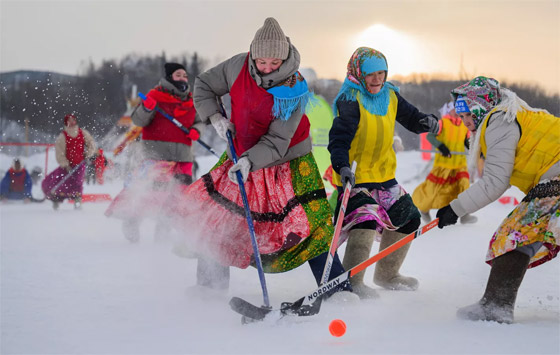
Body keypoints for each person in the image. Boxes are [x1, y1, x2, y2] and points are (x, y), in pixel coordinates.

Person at [188, 17, 353, 298]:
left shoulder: (294, 88)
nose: (266, 68)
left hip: (287, 162)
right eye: (261, 61)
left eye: (273, 63)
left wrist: (250, 162)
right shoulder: (237, 65)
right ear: (253, 53)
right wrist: (215, 116)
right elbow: (203, 84)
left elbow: (277, 140)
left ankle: (337, 289)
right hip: (239, 154)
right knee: (218, 217)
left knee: (308, 225)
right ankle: (209, 288)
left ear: (284, 58)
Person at [436, 76, 560, 323]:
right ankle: (496, 304)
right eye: (461, 118)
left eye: (469, 115)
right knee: (519, 235)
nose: (466, 122)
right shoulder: (507, 115)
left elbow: (495, 182)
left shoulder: (499, 122)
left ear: (482, 107)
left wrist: (455, 208)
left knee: (512, 237)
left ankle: (495, 306)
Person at [328, 47, 439, 299]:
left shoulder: (390, 95)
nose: (377, 79)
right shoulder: (350, 100)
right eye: (370, 74)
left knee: (408, 217)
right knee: (364, 220)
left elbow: (412, 118)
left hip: (383, 175)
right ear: (358, 74)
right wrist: (341, 166)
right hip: (354, 176)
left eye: (381, 72)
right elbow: (338, 140)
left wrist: (426, 122)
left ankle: (387, 274)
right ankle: (352, 282)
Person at [105, 62, 203, 243]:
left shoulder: (191, 100)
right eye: (178, 75)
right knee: (151, 194)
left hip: (183, 156)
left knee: (179, 195)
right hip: (156, 155)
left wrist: (197, 130)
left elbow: (199, 121)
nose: (182, 78)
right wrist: (147, 107)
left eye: (184, 75)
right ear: (169, 77)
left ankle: (164, 228)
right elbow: (138, 121)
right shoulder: (154, 95)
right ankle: (133, 219)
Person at [412, 101, 477, 224]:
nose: (458, 113)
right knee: (434, 189)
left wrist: (475, 148)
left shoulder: (464, 125)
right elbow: (430, 137)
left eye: (460, 111)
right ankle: (424, 209)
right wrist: (441, 146)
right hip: (444, 164)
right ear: (450, 110)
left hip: (459, 164)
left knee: (463, 187)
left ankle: (465, 214)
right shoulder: (443, 123)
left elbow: (466, 141)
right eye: (455, 110)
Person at [41, 114, 96, 210]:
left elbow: (91, 144)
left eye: (73, 120)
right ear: (66, 123)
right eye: (69, 120)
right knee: (59, 183)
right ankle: (56, 200)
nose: (71, 122)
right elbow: (59, 152)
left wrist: (87, 154)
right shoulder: (62, 136)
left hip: (79, 164)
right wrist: (65, 165)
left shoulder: (83, 133)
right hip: (67, 166)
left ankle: (77, 201)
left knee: (77, 183)